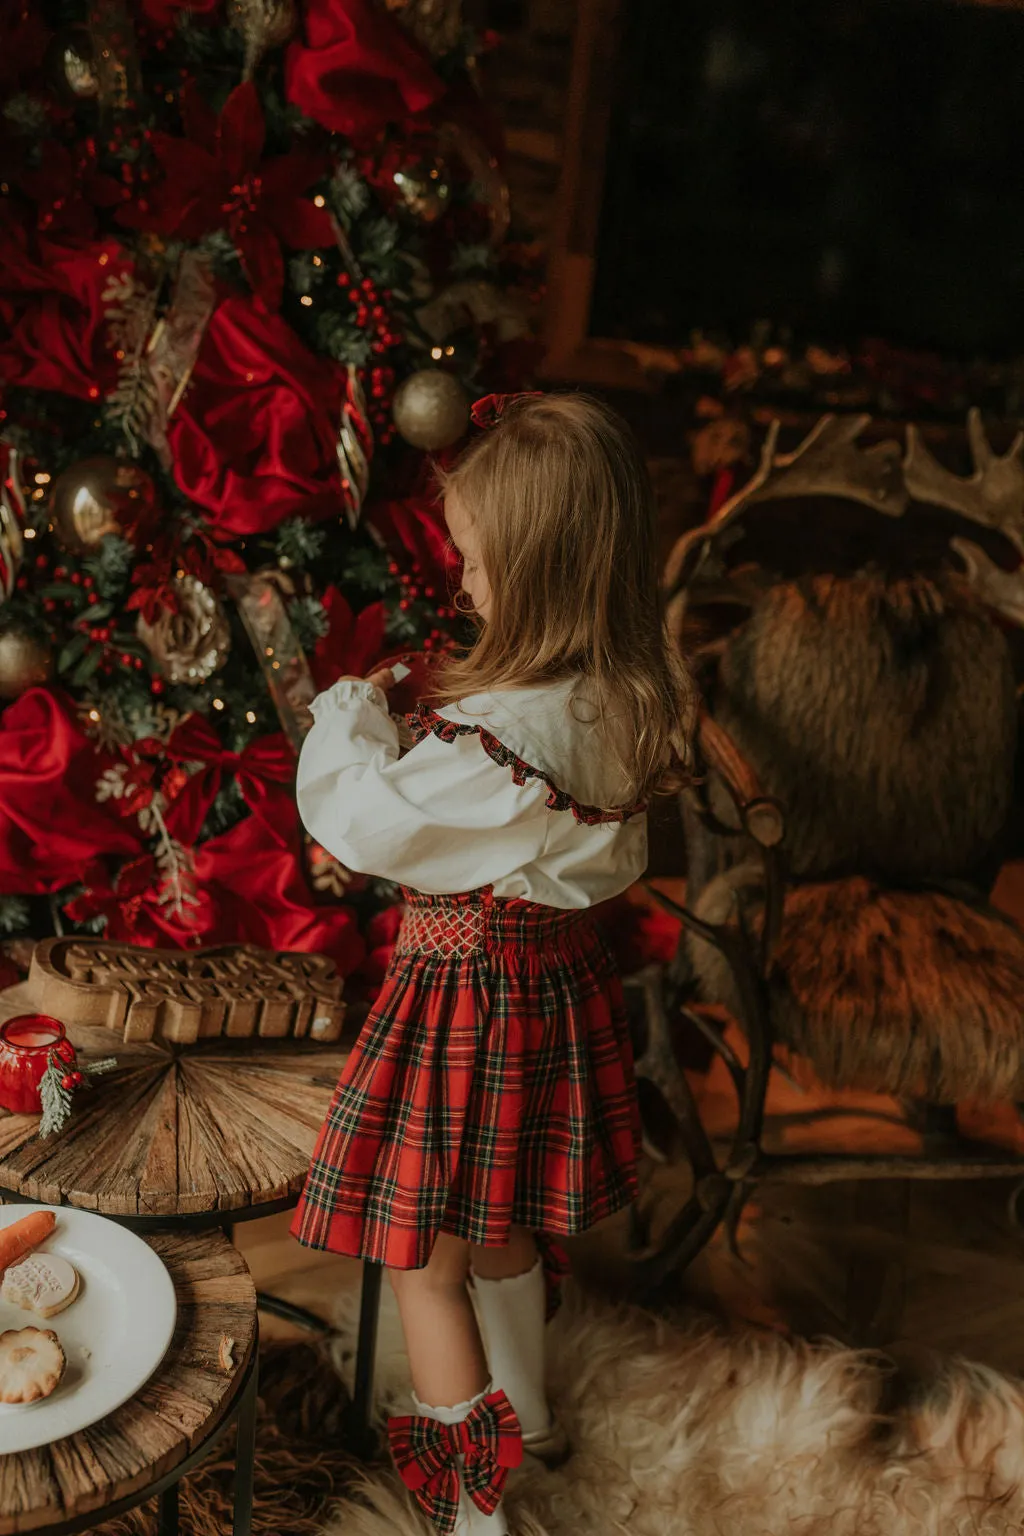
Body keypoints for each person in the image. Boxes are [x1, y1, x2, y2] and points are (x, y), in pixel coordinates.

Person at [292, 391, 691, 1535]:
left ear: (541, 566)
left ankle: (471, 1513)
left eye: (473, 561)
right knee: (503, 1220)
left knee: (423, 1263)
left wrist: (347, 714)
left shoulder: (505, 739)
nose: (461, 584)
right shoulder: (621, 692)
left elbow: (362, 822)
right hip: (554, 987)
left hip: (468, 1000)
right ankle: (532, 1415)